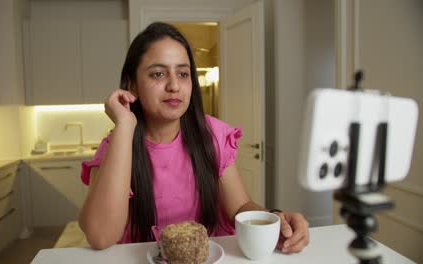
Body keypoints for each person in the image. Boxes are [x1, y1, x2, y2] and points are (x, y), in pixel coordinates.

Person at [78, 22, 309, 253]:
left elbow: (240, 206)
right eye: (158, 74)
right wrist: (125, 125)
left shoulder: (213, 134)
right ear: (132, 85)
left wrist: (275, 220)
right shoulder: (116, 146)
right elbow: (100, 236)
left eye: (183, 73)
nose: (174, 85)